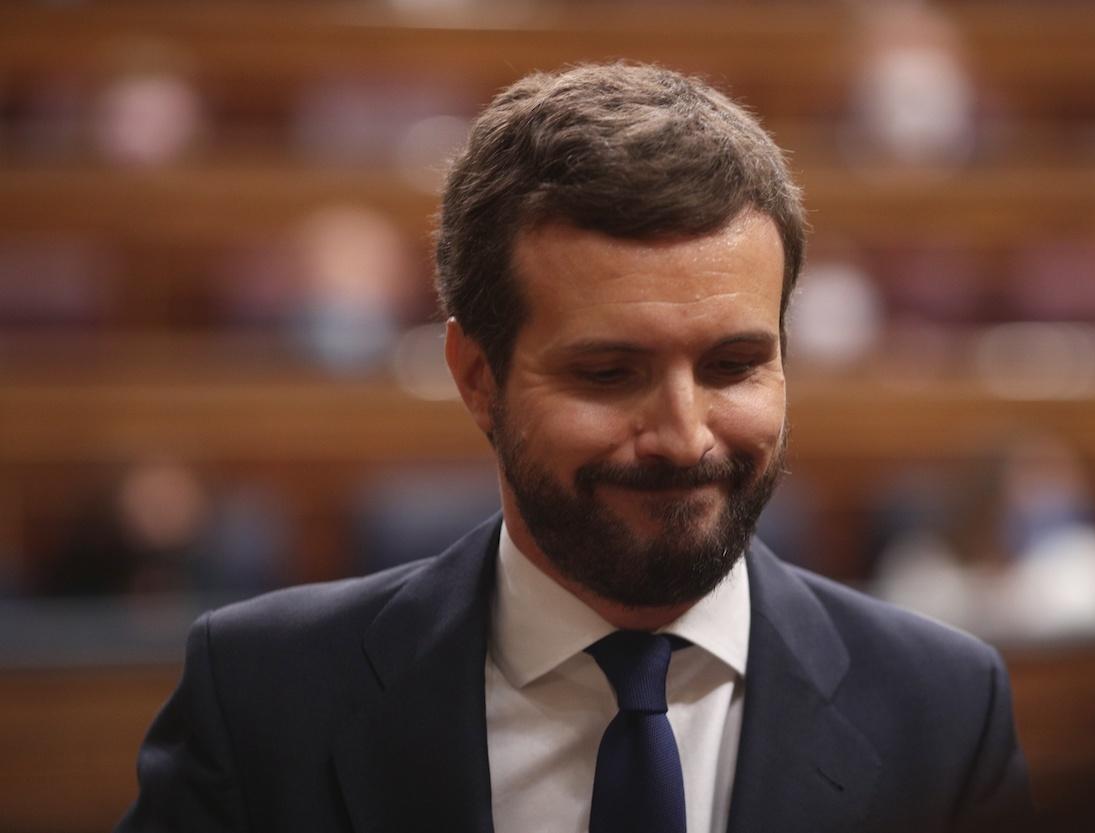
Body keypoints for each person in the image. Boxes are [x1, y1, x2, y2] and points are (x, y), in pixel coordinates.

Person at [118, 63, 1032, 833]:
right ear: (476, 375)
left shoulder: (944, 712)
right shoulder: (263, 700)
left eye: (734, 365)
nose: (684, 436)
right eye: (607, 373)